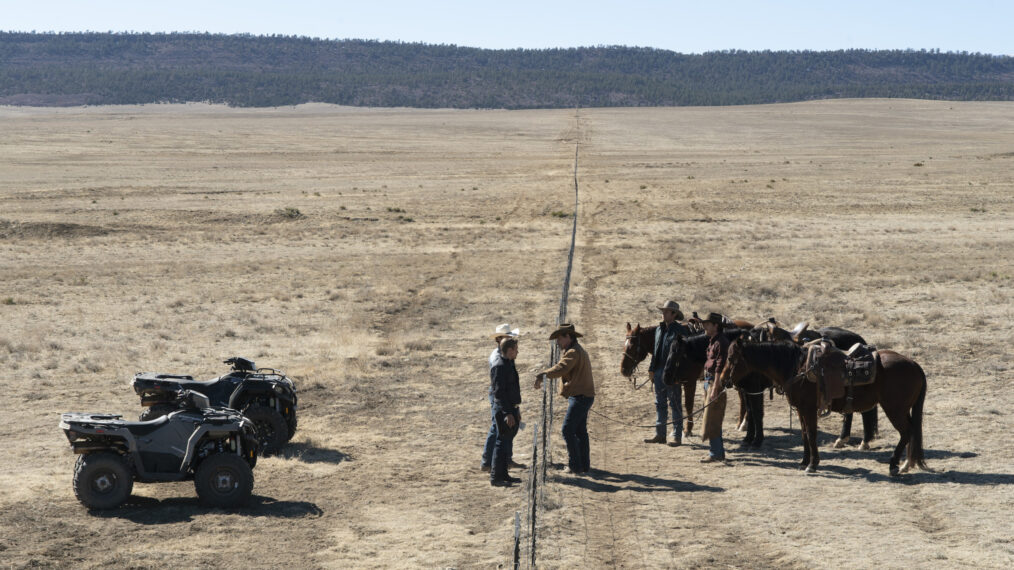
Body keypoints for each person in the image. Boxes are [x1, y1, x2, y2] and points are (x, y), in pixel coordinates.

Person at [535, 323, 595, 475]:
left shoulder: (573, 352)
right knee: (580, 431)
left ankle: (575, 466)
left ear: (568, 336)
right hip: (584, 396)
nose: (557, 342)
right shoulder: (575, 350)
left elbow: (561, 368)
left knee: (567, 429)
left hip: (580, 397)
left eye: (559, 338)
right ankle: (583, 466)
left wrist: (543, 375)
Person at [644, 300, 690, 446]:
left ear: (674, 314)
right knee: (660, 403)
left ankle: (677, 435)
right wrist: (652, 369)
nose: (663, 314)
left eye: (666, 311)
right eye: (663, 311)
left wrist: (678, 375)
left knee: (675, 404)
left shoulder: (681, 331)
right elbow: (656, 352)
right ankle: (660, 434)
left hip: (672, 373)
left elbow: (683, 355)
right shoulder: (659, 330)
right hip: (658, 371)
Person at [482, 324, 525, 473]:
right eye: (508, 337)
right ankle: (488, 462)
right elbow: (499, 386)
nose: (511, 340)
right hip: (499, 395)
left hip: (504, 396)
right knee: (498, 427)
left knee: (504, 428)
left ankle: (504, 460)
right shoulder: (497, 358)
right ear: (500, 339)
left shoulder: (505, 356)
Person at [490, 337, 523, 486]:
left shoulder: (509, 363)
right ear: (510, 350)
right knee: (501, 442)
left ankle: (504, 474)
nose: (518, 352)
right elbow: (499, 393)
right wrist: (508, 413)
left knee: (506, 442)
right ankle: (496, 477)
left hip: (511, 408)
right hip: (504, 411)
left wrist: (516, 409)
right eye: (516, 349)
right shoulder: (499, 366)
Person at [700, 312, 730, 463]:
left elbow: (720, 366)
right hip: (709, 382)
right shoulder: (713, 341)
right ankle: (717, 452)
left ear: (716, 326)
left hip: (714, 383)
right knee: (710, 419)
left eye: (707, 324)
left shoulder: (721, 342)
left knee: (713, 419)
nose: (704, 326)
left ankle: (716, 453)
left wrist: (715, 387)